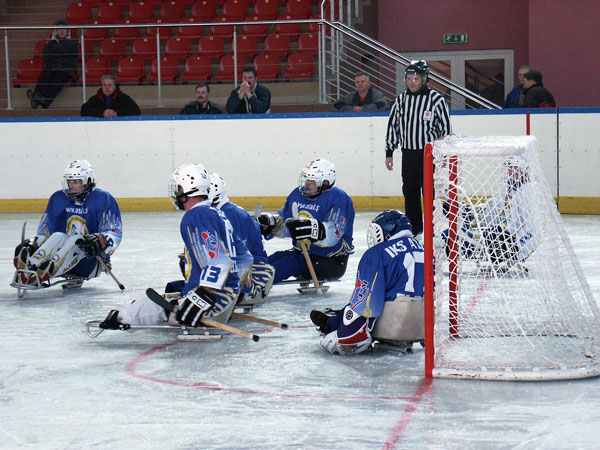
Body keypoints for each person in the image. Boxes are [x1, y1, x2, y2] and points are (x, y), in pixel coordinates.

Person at [98, 163, 253, 330]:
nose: (177, 192)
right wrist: (233, 291)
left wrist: (199, 299)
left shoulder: (196, 216)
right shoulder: (216, 213)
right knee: (162, 299)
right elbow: (245, 258)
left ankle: (121, 318)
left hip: (212, 303)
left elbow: (219, 262)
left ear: (188, 188)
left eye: (179, 187)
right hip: (227, 298)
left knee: (146, 306)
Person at [310, 210, 425, 355]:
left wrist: (341, 337)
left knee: (357, 303)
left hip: (393, 326)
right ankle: (333, 321)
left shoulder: (377, 253)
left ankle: (331, 324)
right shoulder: (427, 250)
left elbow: (364, 303)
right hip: (423, 326)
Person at [13, 160, 122, 287]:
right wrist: (34, 243)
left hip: (88, 262)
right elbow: (46, 232)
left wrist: (102, 241)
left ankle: (48, 270)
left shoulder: (103, 199)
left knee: (76, 240)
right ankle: (31, 266)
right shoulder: (58, 198)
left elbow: (114, 231)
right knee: (58, 236)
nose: (71, 185)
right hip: (61, 255)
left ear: (88, 181)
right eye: (69, 181)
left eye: (75, 181)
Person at [257, 158, 355, 285]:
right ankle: (248, 279)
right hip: (302, 254)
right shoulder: (298, 195)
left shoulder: (339, 198)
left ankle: (255, 286)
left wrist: (312, 230)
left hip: (330, 260)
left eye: (311, 181)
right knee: (267, 262)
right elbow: (286, 221)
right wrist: (271, 223)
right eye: (306, 179)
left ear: (325, 183)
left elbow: (334, 235)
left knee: (285, 265)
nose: (306, 184)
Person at [384, 60, 452, 237]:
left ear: (424, 79)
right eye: (409, 78)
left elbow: (446, 130)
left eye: (416, 78)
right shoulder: (400, 100)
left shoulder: (437, 100)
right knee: (410, 191)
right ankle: (414, 229)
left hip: (430, 155)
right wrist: (389, 152)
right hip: (408, 154)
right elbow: (393, 127)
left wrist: (443, 154)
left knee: (430, 193)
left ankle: (432, 229)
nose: (412, 81)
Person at [442, 156, 538, 271]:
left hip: (507, 245)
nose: (509, 172)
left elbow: (534, 230)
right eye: (509, 169)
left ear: (523, 170)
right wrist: (466, 214)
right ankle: (428, 254)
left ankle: (428, 257)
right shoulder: (507, 190)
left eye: (513, 168)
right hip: (494, 239)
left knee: (453, 238)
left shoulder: (529, 192)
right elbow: (488, 218)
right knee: (450, 234)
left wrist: (517, 253)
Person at [208, 173, 275, 304]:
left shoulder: (228, 214)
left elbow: (235, 256)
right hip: (248, 269)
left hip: (251, 275)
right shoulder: (227, 211)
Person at [27, 20, 78, 110]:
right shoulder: (50, 44)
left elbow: (65, 54)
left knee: (58, 77)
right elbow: (45, 55)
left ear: (67, 31)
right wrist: (58, 55)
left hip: (65, 69)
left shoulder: (72, 43)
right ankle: (37, 97)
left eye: (64, 29)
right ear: (56, 31)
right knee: (45, 74)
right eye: (59, 29)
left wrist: (55, 55)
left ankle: (43, 101)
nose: (61, 31)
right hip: (52, 67)